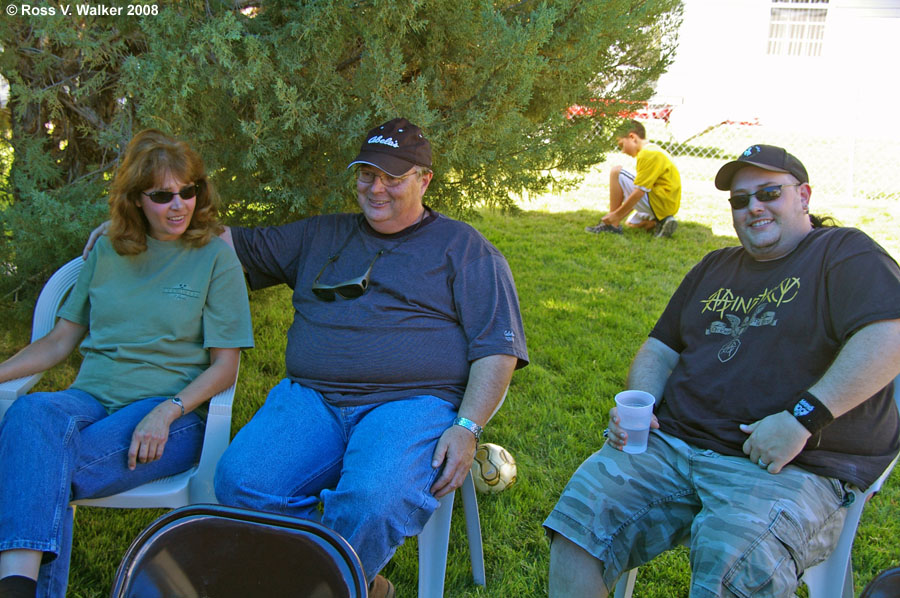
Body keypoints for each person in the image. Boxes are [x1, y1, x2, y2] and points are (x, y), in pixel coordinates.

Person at [547, 144, 900, 598]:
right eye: (739, 199)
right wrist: (644, 405)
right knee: (580, 522)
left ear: (804, 196)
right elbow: (660, 348)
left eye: (769, 192)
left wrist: (801, 419)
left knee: (735, 561)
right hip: (674, 444)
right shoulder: (715, 266)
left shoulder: (842, 253)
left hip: (789, 464)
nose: (753, 207)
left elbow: (889, 336)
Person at [208, 118, 528, 597]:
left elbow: (498, 349)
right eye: (366, 174)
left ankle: (323, 583)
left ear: (424, 180)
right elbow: (225, 244)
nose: (376, 188)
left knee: (374, 501)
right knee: (241, 483)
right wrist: (132, 227)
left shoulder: (465, 250)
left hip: (412, 405)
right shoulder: (319, 235)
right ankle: (355, 577)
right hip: (312, 399)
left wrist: (467, 429)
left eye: (393, 178)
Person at [0, 130, 254, 598]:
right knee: (30, 415)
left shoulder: (216, 258)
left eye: (188, 192)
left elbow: (225, 367)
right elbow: (59, 342)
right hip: (91, 398)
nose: (179, 206)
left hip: (167, 414)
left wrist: (168, 410)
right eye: (162, 195)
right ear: (137, 199)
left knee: (31, 469)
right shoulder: (107, 250)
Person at [585, 120, 681, 238]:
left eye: (622, 145)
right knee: (630, 223)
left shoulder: (648, 153)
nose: (623, 151)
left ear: (632, 137)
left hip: (660, 202)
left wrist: (616, 215)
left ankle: (612, 225)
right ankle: (658, 222)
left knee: (616, 172)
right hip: (665, 205)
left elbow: (639, 191)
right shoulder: (654, 150)